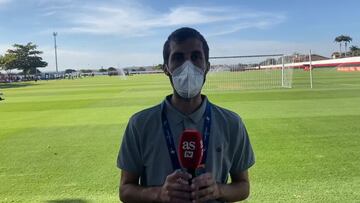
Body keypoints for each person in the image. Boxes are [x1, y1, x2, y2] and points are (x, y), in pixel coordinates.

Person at [117, 27, 255, 203]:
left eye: (196, 57)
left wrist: (219, 190)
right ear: (166, 68)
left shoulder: (232, 123)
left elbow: (243, 186)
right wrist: (159, 194)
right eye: (178, 57)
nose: (187, 65)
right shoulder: (140, 124)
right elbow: (125, 190)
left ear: (207, 66)